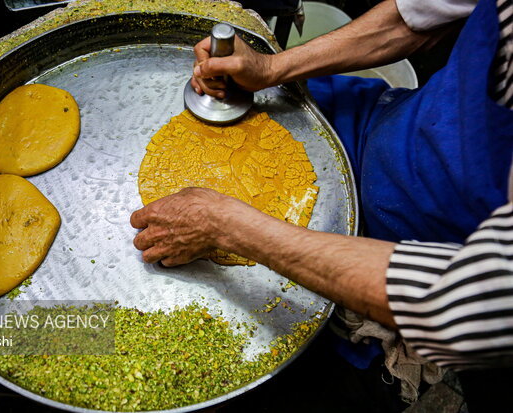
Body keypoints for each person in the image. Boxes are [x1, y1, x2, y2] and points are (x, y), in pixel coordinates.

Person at [130, 0, 513, 410]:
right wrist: (271, 69)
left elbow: (469, 302)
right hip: (384, 122)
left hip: (421, 249)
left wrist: (224, 225)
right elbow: (415, 17)